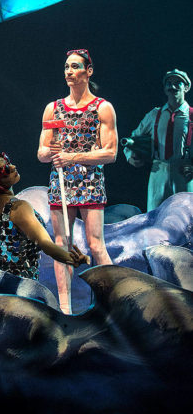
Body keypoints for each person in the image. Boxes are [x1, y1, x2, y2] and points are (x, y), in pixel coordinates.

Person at [37, 48, 117, 313]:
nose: (69, 72)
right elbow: (41, 152)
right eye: (66, 67)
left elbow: (110, 153)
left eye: (75, 67)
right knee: (62, 244)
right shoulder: (54, 108)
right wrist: (52, 153)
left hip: (90, 180)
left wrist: (73, 157)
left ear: (88, 71)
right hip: (60, 182)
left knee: (95, 244)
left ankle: (114, 302)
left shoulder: (102, 108)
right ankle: (65, 308)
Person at [0, 143, 88, 281]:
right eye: (5, 170)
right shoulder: (18, 208)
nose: (13, 167)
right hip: (22, 292)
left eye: (8, 162)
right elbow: (45, 244)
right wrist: (71, 258)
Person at [123, 69, 193, 211]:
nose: (172, 87)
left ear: (186, 87)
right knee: (155, 215)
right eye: (169, 83)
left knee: (185, 218)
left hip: (184, 171)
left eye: (177, 83)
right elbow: (133, 138)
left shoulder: (191, 115)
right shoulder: (155, 114)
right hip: (159, 171)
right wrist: (131, 157)